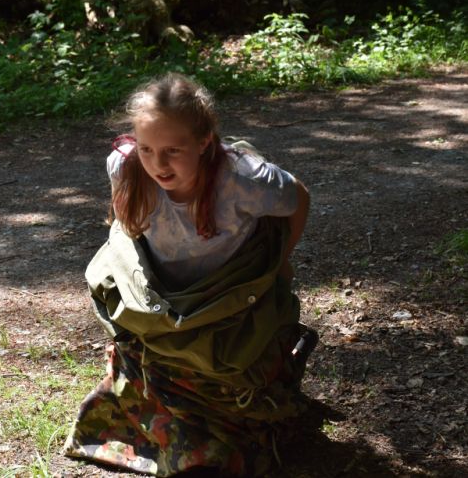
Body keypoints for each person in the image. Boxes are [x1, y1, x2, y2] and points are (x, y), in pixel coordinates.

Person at [64, 73, 317, 477]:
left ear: (204, 142)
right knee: (137, 334)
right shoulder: (125, 165)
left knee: (230, 367)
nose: (158, 164)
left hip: (224, 297)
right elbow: (126, 226)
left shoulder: (242, 178)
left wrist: (280, 261)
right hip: (163, 295)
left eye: (173, 150)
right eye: (147, 149)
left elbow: (297, 196)